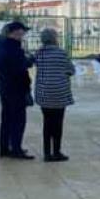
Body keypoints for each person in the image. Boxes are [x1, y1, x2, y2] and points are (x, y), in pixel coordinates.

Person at [0, 21, 35, 160]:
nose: (23, 35)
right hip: (16, 88)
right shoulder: (14, 48)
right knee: (18, 119)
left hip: (4, 87)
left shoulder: (1, 46)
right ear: (15, 32)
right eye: (22, 32)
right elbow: (19, 68)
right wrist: (29, 62)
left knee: (6, 118)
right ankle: (16, 149)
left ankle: (4, 148)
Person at [33, 27, 75, 162]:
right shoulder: (62, 53)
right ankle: (56, 151)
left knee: (47, 123)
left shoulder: (39, 54)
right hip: (60, 92)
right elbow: (71, 70)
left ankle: (46, 153)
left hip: (44, 92)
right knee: (58, 123)